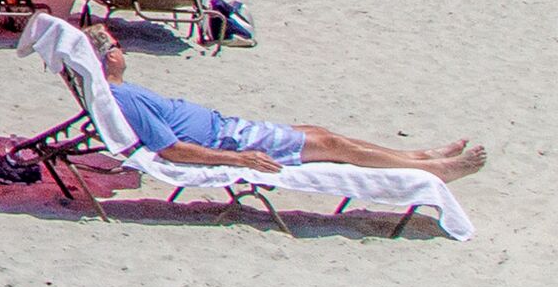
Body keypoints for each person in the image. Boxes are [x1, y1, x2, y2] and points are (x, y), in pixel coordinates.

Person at [81, 26, 483, 178]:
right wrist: (240, 160)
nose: (122, 49)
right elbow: (172, 148)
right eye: (117, 45)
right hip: (231, 143)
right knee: (332, 146)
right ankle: (435, 169)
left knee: (322, 135)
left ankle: (417, 156)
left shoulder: (117, 92)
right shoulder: (123, 96)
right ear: (111, 56)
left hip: (230, 131)